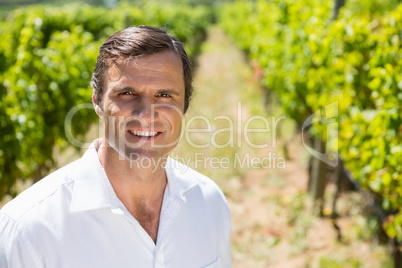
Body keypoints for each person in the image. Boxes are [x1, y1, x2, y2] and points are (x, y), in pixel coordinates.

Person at [0, 26, 231, 268]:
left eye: (164, 95)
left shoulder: (210, 203)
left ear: (184, 105)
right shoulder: (28, 231)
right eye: (127, 93)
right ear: (97, 100)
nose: (146, 114)